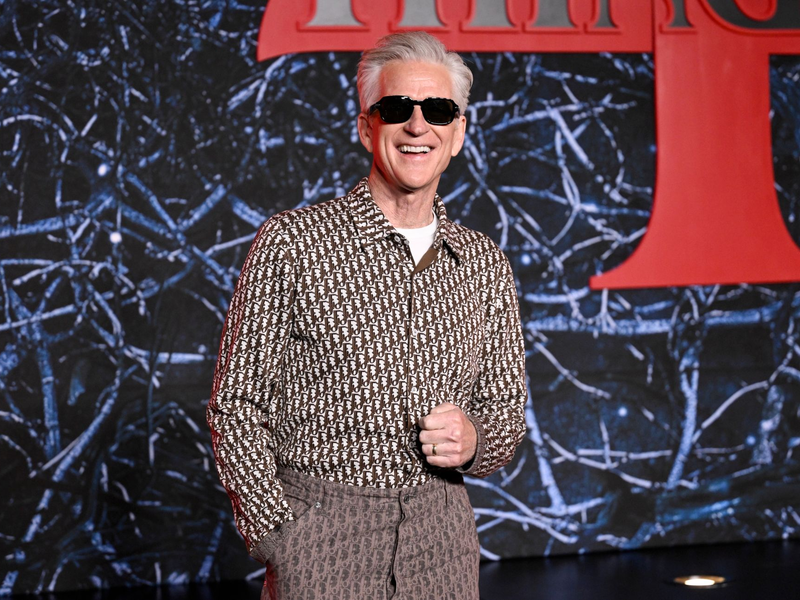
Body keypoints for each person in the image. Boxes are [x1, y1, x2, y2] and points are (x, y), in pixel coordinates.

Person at [207, 31, 527, 600]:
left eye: (439, 111)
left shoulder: (483, 263)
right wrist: (283, 536)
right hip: (322, 542)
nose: (417, 125)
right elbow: (236, 407)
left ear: (457, 135)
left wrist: (475, 439)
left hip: (442, 546)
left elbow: (506, 417)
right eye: (397, 108)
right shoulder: (293, 243)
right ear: (366, 127)